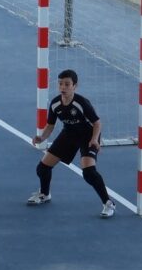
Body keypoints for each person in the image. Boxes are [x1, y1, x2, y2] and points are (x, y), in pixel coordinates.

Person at [28, 69, 116, 218]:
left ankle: (108, 203)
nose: (63, 87)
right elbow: (50, 125)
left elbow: (97, 123)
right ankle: (44, 194)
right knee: (42, 168)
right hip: (69, 134)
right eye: (60, 84)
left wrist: (94, 140)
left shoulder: (81, 103)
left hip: (88, 135)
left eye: (67, 84)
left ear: (75, 86)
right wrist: (42, 138)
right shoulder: (56, 104)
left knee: (89, 173)